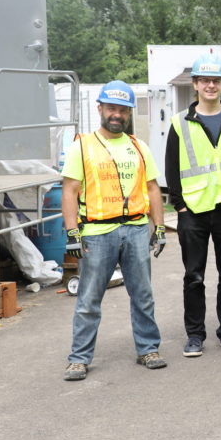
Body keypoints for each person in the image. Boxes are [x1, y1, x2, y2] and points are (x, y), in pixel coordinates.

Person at [61, 81, 168, 381]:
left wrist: (158, 227)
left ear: (129, 113)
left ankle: (148, 349)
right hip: (96, 233)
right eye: (112, 108)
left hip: (135, 229)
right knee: (88, 299)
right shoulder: (82, 146)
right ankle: (79, 359)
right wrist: (72, 232)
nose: (117, 115)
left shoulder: (138, 146)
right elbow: (69, 190)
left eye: (123, 110)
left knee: (143, 295)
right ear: (100, 109)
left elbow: (152, 188)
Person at [165, 54, 221, 358]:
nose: (210, 85)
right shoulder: (179, 122)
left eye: (216, 80)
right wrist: (180, 207)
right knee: (194, 276)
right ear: (196, 84)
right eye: (205, 80)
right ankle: (195, 335)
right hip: (194, 211)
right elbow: (172, 168)